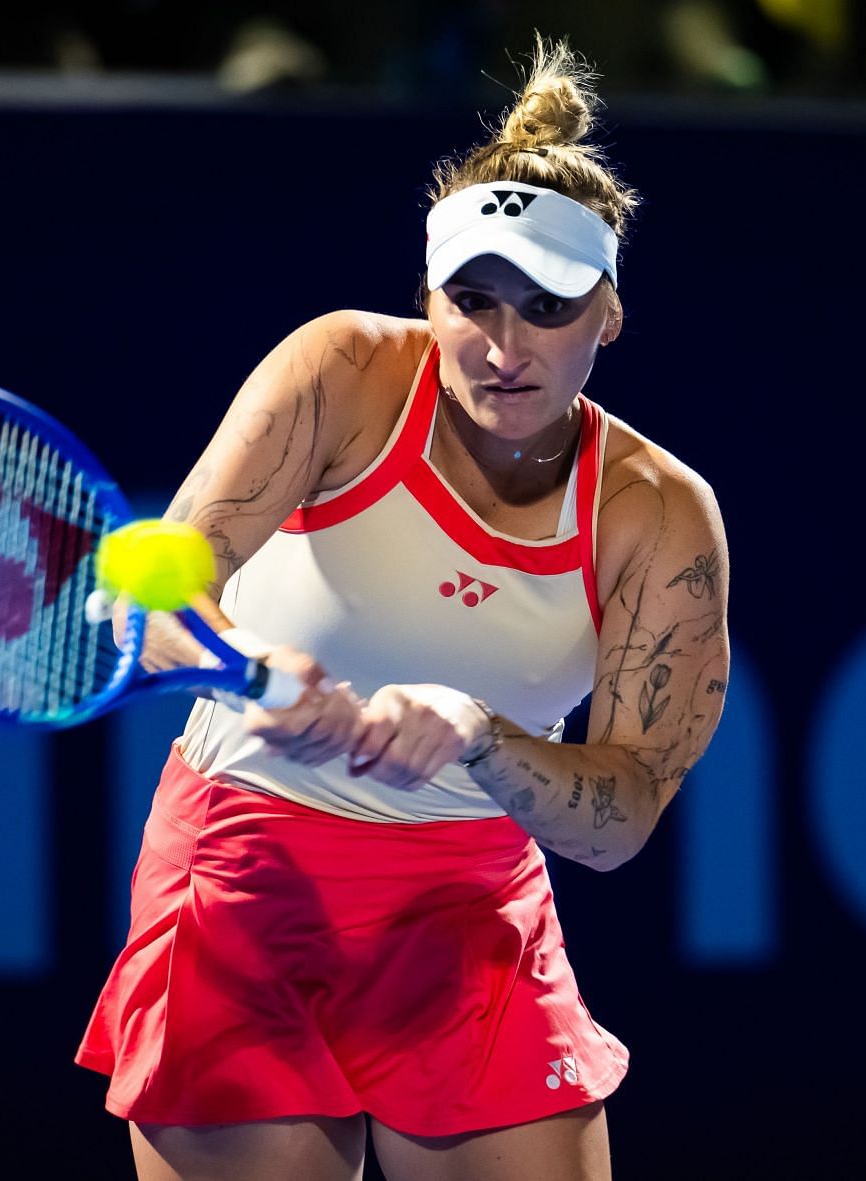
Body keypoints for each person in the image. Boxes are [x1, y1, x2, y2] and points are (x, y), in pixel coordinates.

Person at [76, 36, 731, 1181]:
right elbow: (153, 590)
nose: (502, 343)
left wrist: (479, 736)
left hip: (470, 907)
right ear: (424, 296)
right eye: (470, 300)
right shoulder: (339, 373)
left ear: (609, 316)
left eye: (546, 306)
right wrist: (246, 668)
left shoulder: (659, 517)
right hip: (245, 874)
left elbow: (619, 819)